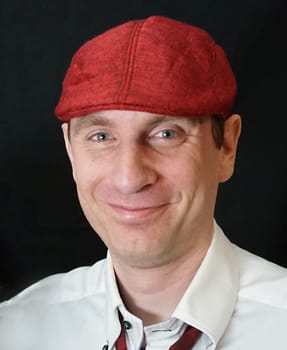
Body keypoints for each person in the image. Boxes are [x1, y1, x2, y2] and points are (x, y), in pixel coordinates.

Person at [0, 15, 286, 350]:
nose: (129, 178)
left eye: (166, 134)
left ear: (226, 147)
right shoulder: (14, 331)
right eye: (101, 136)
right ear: (70, 150)